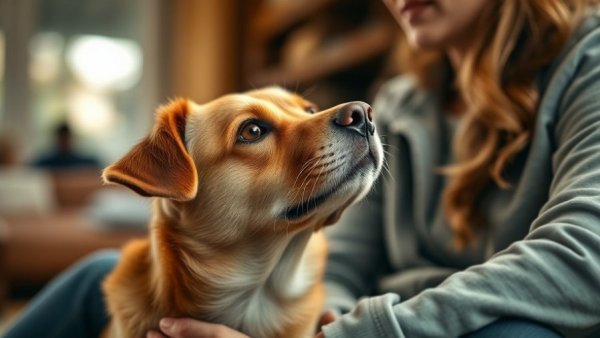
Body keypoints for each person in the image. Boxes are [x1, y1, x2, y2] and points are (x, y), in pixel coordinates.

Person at [4, 0, 600, 337]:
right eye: (260, 131)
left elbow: (583, 254)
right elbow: (343, 259)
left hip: (463, 328)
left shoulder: (587, 64)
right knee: (104, 272)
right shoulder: (400, 102)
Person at [31, 122, 100, 169]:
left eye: (66, 138)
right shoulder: (45, 162)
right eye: (62, 138)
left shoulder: (87, 162)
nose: (65, 142)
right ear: (57, 139)